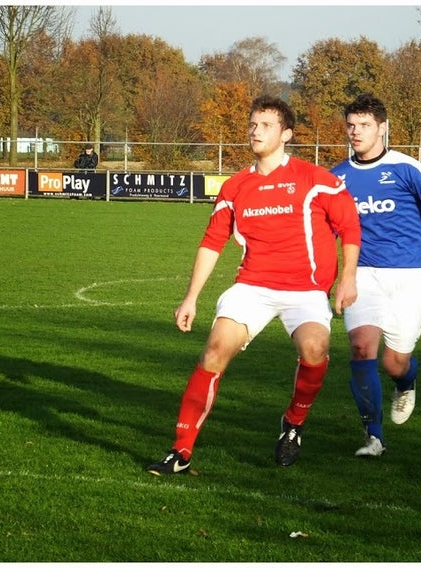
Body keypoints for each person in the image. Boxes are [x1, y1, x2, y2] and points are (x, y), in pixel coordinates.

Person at [146, 95, 361, 475]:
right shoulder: (235, 186)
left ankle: (293, 423)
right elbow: (212, 242)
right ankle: (181, 451)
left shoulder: (316, 179)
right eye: (252, 124)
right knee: (214, 350)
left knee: (315, 348)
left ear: (286, 134)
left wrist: (347, 278)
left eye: (265, 125)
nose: (255, 131)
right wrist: (191, 297)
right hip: (253, 286)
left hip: (306, 291)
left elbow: (349, 227)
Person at [330, 93, 421, 458]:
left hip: (411, 277)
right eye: (351, 125)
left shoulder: (407, 168)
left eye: (364, 125)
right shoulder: (337, 177)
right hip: (363, 274)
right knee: (361, 348)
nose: (356, 132)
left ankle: (406, 382)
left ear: (382, 128)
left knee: (393, 362)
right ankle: (373, 437)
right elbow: (324, 229)